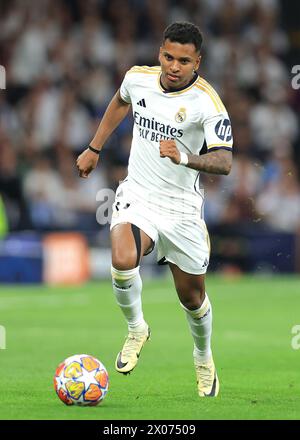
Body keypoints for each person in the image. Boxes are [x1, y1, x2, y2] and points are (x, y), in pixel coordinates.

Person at [76, 21, 233, 397]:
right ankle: (136, 328)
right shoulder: (138, 78)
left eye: (183, 60)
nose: (173, 66)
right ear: (160, 52)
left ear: (198, 62)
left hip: (181, 208)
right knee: (121, 255)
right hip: (139, 194)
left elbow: (225, 162)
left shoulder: (207, 103)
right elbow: (119, 101)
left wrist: (185, 157)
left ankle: (203, 356)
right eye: (168, 56)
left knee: (192, 298)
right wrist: (94, 148)